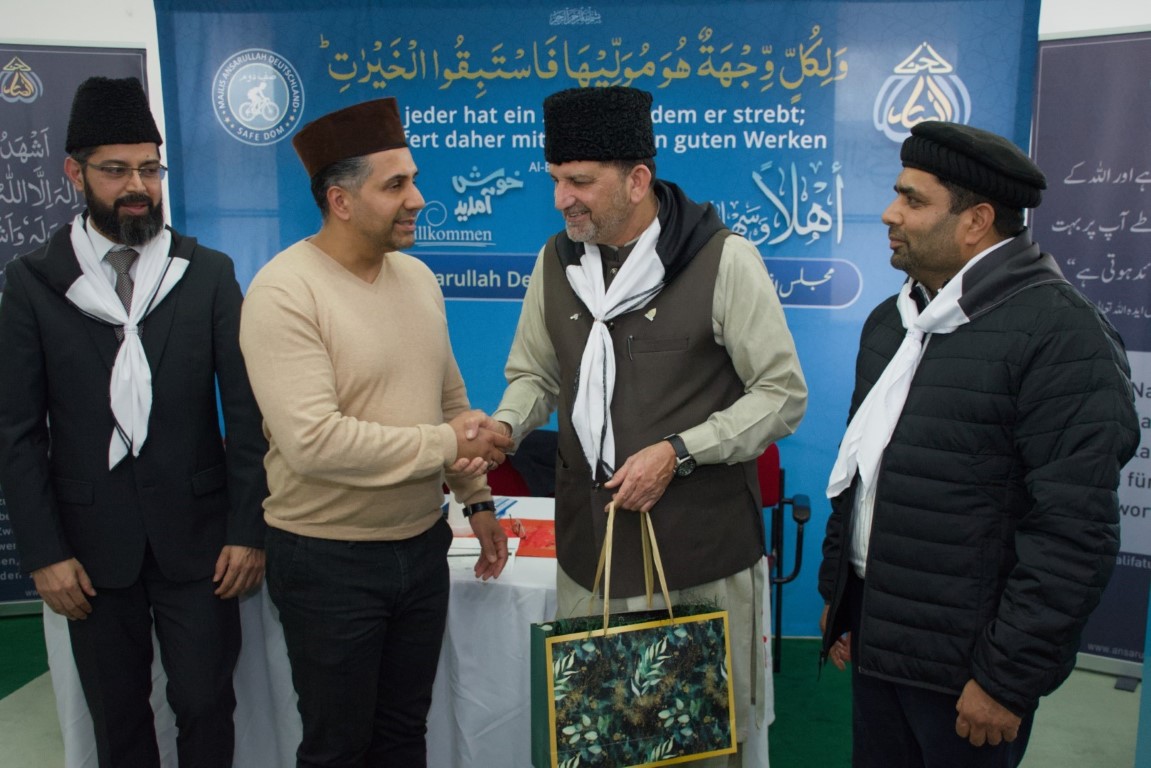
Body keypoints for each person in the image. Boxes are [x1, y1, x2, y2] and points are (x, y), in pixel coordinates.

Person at [493, 85, 808, 766]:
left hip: (698, 560)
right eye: (555, 180)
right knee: (600, 741)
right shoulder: (556, 263)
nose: (561, 199)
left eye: (580, 181)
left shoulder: (722, 260)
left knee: (696, 745)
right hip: (591, 559)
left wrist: (679, 452)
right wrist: (505, 427)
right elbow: (535, 376)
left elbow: (781, 395)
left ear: (637, 180)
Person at [819, 121, 1140, 768]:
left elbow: (1073, 534)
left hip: (969, 670)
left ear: (976, 221)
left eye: (912, 200)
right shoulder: (893, 324)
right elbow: (862, 470)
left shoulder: (1060, 336)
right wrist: (843, 600)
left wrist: (1006, 679)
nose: (889, 213)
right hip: (880, 640)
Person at [0, 76, 268, 768]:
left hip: (201, 544)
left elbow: (246, 414)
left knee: (205, 703)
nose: (137, 187)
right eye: (116, 171)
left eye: (150, 169)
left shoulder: (205, 273)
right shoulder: (33, 283)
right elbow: (17, 432)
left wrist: (247, 529)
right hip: (89, 550)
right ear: (75, 173)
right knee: (118, 719)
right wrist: (44, 553)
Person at [238, 97, 513, 768]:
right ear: (340, 200)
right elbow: (314, 443)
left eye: (413, 180)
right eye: (395, 185)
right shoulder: (284, 293)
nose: (417, 199)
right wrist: (448, 446)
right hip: (327, 561)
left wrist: (476, 501)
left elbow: (449, 401)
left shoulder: (417, 278)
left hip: (420, 547)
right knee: (338, 746)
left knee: (403, 735)